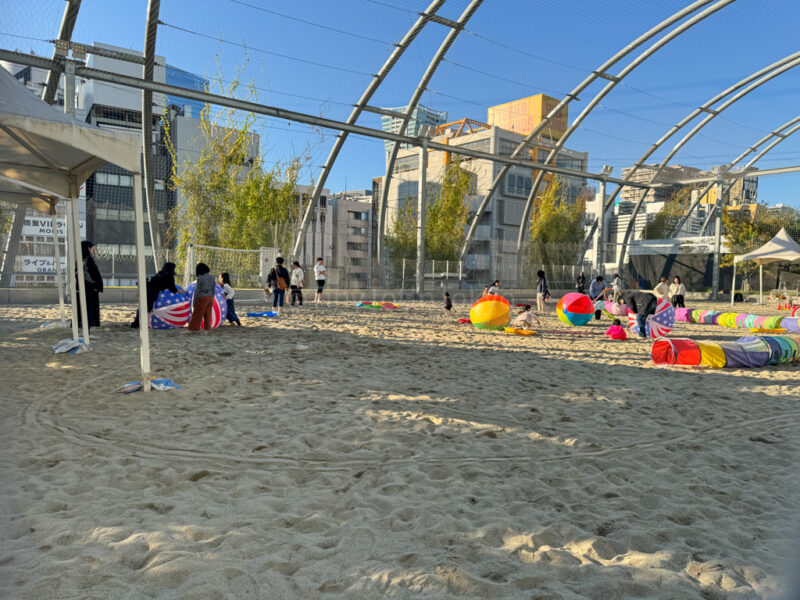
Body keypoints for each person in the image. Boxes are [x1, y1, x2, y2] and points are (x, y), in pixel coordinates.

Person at [131, 261, 178, 328]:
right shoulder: (169, 277)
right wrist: (183, 292)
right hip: (151, 291)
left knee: (143, 308)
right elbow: (173, 289)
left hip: (144, 288)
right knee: (147, 308)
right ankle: (138, 324)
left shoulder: (160, 273)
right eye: (174, 268)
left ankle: (137, 323)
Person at [77, 241, 103, 328]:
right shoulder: (88, 259)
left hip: (84, 288)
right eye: (92, 249)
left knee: (83, 310)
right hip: (90, 289)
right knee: (90, 311)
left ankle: (84, 328)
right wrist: (98, 285)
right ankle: (87, 329)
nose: (93, 251)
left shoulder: (80, 259)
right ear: (88, 248)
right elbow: (94, 274)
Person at [188, 262, 216, 333]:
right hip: (210, 297)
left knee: (197, 315)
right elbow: (213, 289)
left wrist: (194, 303)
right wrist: (212, 298)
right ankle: (207, 330)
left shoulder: (200, 279)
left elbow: (197, 291)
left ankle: (193, 329)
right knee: (208, 315)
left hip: (202, 297)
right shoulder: (212, 278)